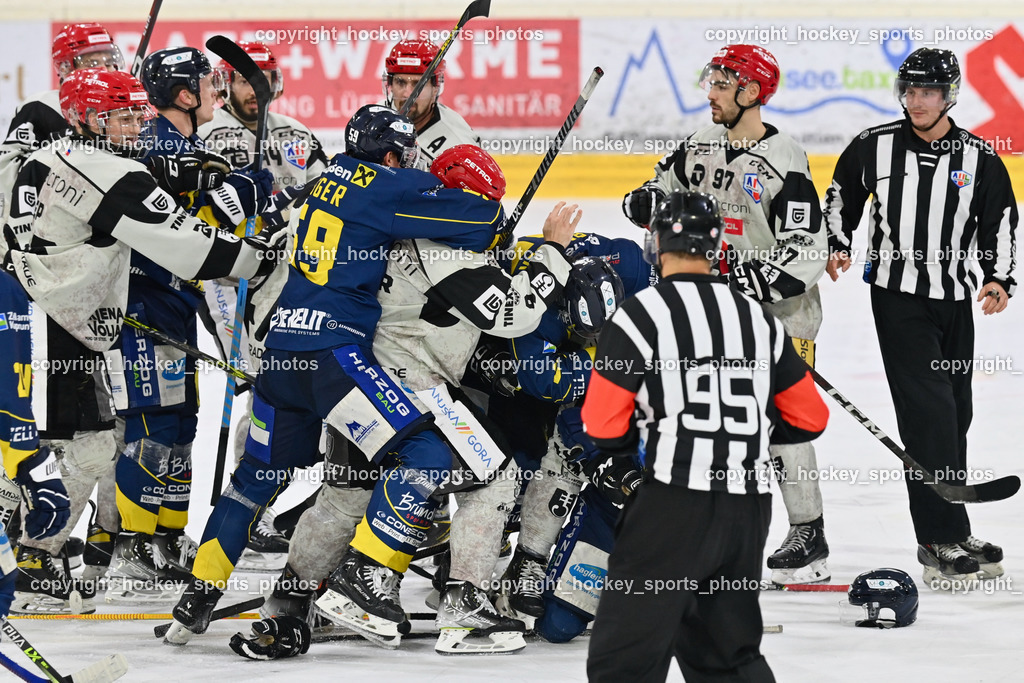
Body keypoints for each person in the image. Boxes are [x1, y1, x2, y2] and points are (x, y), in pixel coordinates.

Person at [164, 105, 504, 646]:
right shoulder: (387, 184)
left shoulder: (315, 183)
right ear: (390, 155)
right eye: (402, 155)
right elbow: (480, 219)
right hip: (333, 358)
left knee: (252, 481)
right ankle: (364, 580)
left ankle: (195, 601)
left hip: (280, 353)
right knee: (426, 454)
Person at [271, 147, 576, 654]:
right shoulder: (448, 251)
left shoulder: (393, 229)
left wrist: (497, 255)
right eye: (484, 201)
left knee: (344, 498)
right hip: (415, 385)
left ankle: (291, 602)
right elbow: (512, 314)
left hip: (358, 379)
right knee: (495, 475)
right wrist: (552, 253)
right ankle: (463, 607)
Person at [583, 190, 828, 682]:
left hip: (672, 505)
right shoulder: (758, 317)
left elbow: (601, 422)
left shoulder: (640, 313)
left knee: (623, 664)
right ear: (716, 247)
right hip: (747, 510)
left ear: (656, 243)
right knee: (726, 660)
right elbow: (810, 417)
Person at [622, 44, 831, 584]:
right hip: (717, 310)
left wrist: (750, 275)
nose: (710, 94)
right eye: (710, 82)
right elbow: (657, 190)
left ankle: (808, 529)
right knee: (714, 416)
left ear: (752, 91)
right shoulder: (700, 144)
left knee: (782, 420)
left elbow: (807, 248)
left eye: (721, 84)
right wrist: (644, 202)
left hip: (783, 313)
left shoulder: (785, 159)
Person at [823, 48, 1015, 587]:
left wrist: (999, 277)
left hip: (954, 299)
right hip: (898, 298)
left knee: (956, 415)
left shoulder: (979, 157)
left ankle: (954, 527)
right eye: (910, 90)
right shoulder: (874, 146)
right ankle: (935, 538)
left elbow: (1000, 219)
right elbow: (838, 200)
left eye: (928, 91)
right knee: (929, 412)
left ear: (949, 95)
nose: (916, 101)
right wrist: (837, 243)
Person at [100, 47, 276, 604]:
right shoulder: (151, 144)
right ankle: (131, 549)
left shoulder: (192, 150)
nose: (216, 89)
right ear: (183, 95)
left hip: (175, 303)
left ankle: (166, 539)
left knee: (181, 426)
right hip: (139, 305)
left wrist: (249, 194)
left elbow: (209, 218)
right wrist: (230, 192)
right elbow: (164, 201)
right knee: (151, 424)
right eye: (205, 82)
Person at [0, 22, 124, 233]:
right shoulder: (40, 106)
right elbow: (8, 169)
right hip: (50, 224)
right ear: (65, 67)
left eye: (110, 61)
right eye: (92, 62)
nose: (104, 69)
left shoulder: (117, 110)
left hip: (100, 220)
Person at [382, 39, 479, 168]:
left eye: (418, 84)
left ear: (435, 88)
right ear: (390, 84)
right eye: (400, 82)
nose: (407, 94)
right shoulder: (370, 119)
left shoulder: (459, 145)